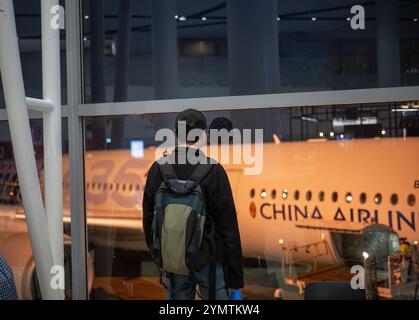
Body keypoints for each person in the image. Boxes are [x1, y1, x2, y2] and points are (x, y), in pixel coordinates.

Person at [142, 109, 244, 300]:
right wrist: (235, 280)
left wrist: (162, 254)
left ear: (174, 133)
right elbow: (228, 229)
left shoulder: (158, 169)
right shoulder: (214, 171)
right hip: (210, 262)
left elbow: (148, 219)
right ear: (203, 135)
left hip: (175, 259)